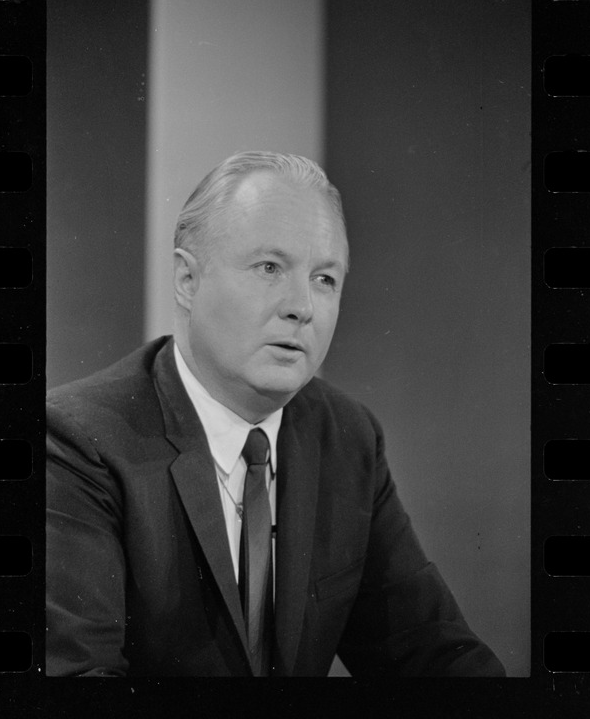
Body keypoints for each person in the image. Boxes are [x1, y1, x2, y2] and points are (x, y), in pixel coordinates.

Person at [46, 151, 506, 677]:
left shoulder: (347, 437)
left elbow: (431, 651)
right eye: (270, 267)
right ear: (187, 281)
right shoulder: (79, 439)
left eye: (325, 279)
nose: (302, 306)